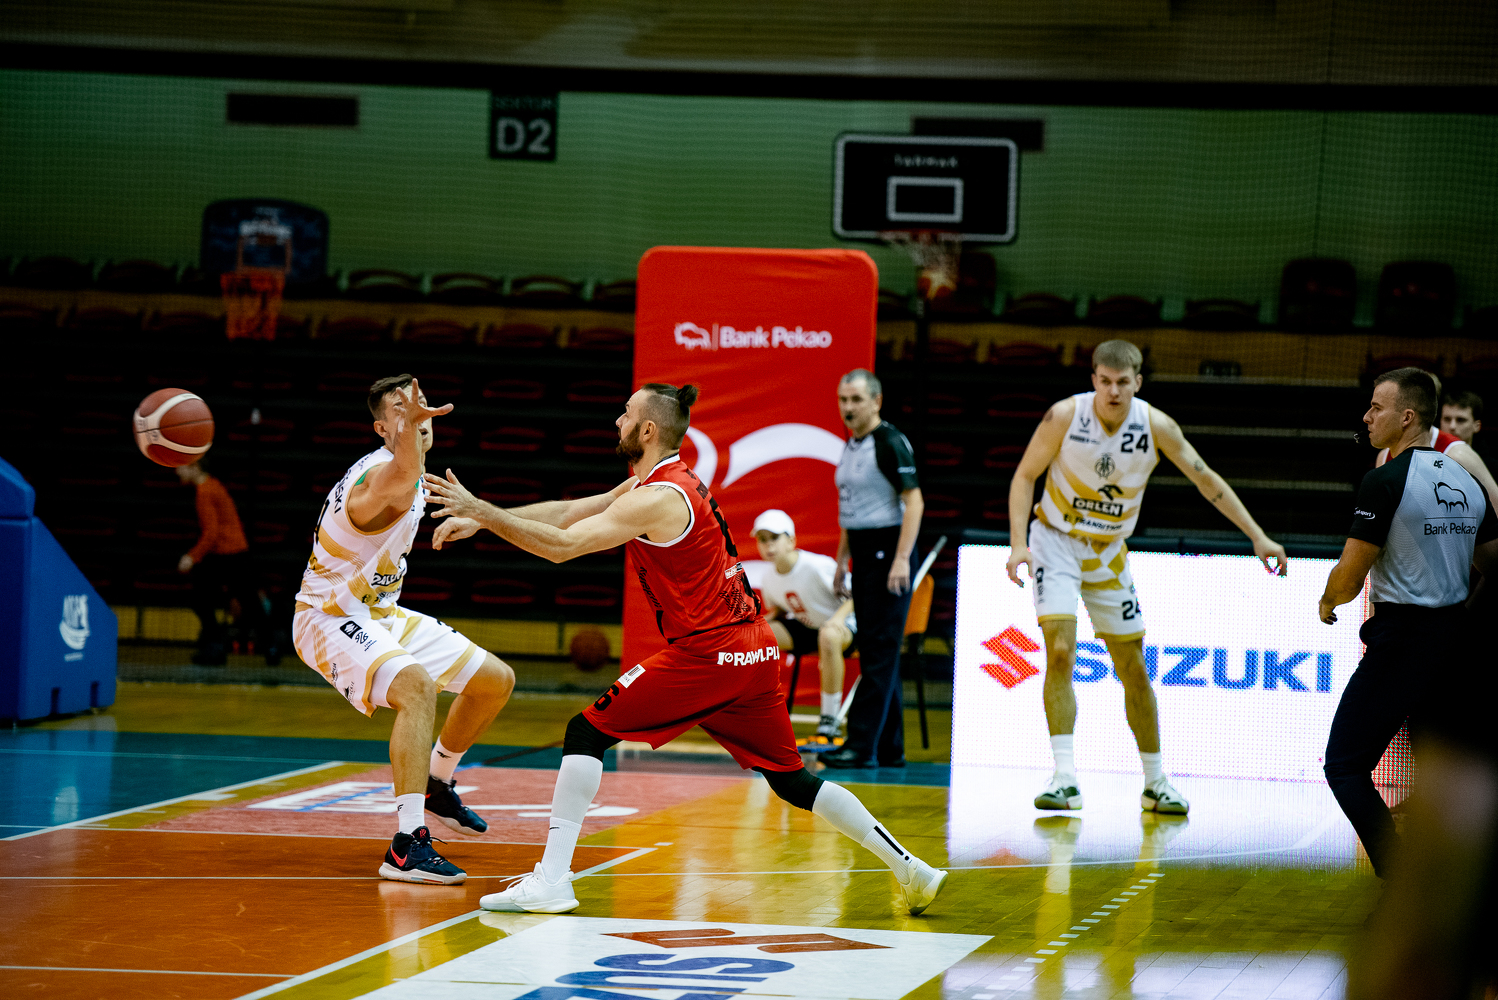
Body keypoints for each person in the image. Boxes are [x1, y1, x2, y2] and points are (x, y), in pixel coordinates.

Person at [423, 382, 947, 916]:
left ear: (648, 429)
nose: (618, 422)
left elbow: (563, 546)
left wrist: (484, 511)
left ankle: (552, 880)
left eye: (626, 414)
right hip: (755, 649)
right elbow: (571, 511)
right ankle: (913, 869)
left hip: (710, 652)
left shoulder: (656, 498)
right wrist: (485, 517)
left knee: (586, 731)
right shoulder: (659, 482)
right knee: (793, 781)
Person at [1006, 339, 1288, 814]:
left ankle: (1156, 783)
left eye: (1122, 382)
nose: (1113, 391)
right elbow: (1023, 476)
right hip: (1055, 541)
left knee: (1133, 665)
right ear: (1093, 380)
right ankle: (1064, 778)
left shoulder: (1156, 425)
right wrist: (1019, 544)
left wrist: (1258, 536)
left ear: (1138, 382)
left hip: (1109, 551)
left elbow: (1206, 479)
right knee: (1060, 650)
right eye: (1104, 381)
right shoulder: (1064, 416)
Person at [292, 375, 516, 886]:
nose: (417, 414)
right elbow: (401, 471)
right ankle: (406, 844)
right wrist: (410, 434)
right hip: (327, 617)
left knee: (494, 681)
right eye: (401, 409)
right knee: (416, 688)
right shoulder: (380, 477)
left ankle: (437, 782)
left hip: (379, 612)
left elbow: (410, 467)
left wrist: (409, 429)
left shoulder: (408, 473)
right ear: (381, 428)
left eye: (420, 404)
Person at [1317, 367, 1498, 879]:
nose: (1367, 417)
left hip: (1401, 642)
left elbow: (1350, 577)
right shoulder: (1464, 478)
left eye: (1377, 407)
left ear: (1407, 417)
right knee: (1442, 776)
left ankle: (1399, 876)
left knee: (1345, 765)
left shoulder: (1385, 480)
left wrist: (1328, 600)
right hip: (1455, 643)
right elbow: (1494, 564)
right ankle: (1450, 890)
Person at [820, 369, 924, 770]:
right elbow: (850, 509)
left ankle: (861, 746)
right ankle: (890, 747)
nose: (848, 407)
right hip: (863, 550)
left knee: (879, 650)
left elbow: (914, 502)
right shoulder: (852, 445)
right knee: (878, 651)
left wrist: (901, 558)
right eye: (843, 400)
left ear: (876, 401)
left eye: (856, 400)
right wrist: (841, 559)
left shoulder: (890, 442)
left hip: (888, 550)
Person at [752, 508, 857, 746]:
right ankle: (757, 713)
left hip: (848, 627)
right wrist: (754, 624)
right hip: (811, 629)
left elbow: (857, 595)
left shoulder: (817, 566)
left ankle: (829, 722)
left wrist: (838, 619)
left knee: (828, 635)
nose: (768, 545)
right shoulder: (769, 577)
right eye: (762, 539)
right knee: (753, 635)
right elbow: (781, 611)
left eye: (774, 538)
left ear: (791, 541)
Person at [175, 457, 271, 666]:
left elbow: (211, 533)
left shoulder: (205, 491)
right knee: (249, 601)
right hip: (233, 553)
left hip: (227, 555)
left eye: (181, 466)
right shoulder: (213, 485)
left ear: (194, 467)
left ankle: (215, 648)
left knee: (202, 600)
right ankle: (270, 646)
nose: (177, 471)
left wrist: (191, 557)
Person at [1375, 378, 1496, 503]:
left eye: (1460, 420)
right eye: (1447, 419)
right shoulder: (1385, 455)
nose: (1452, 426)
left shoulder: (1463, 456)